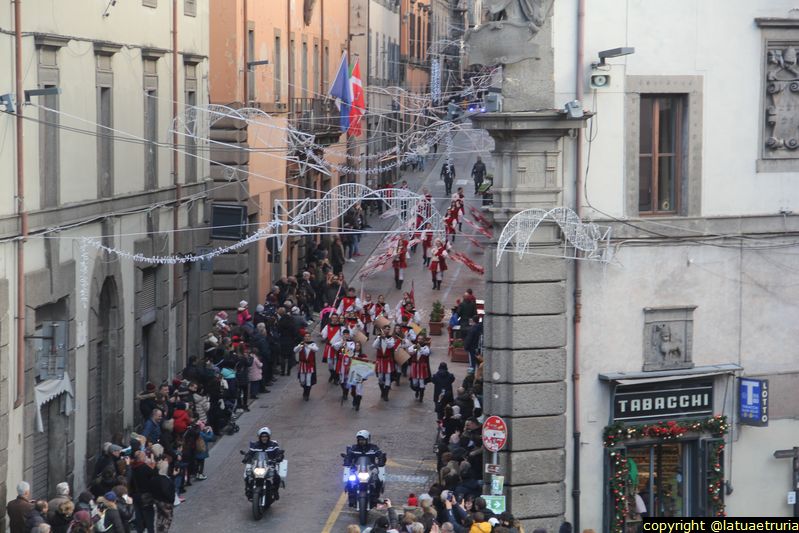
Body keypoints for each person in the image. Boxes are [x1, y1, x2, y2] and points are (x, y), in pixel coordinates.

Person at [342, 430, 387, 507]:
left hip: (370, 469)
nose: (361, 441)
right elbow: (349, 456)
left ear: (367, 439)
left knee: (378, 480)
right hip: (357, 469)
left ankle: (375, 496)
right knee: (349, 480)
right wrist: (347, 460)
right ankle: (351, 497)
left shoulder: (373, 448)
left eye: (363, 440)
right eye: (359, 440)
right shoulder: (354, 448)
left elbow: (380, 455)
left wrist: (381, 459)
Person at [243, 427, 284, 501]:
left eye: (265, 436)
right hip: (257, 465)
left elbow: (278, 452)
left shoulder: (273, 445)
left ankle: (275, 491)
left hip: (269, 465)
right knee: (247, 476)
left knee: (277, 477)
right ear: (259, 437)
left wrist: (279, 456)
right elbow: (250, 453)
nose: (264, 438)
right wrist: (246, 457)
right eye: (262, 436)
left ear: (268, 437)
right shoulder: (255, 445)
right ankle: (248, 490)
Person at [373, 325, 397, 402]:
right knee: (380, 378)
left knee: (387, 377)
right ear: (383, 330)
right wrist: (379, 338)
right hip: (380, 360)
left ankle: (386, 394)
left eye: (388, 329)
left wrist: (385, 339)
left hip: (387, 359)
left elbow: (390, 346)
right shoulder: (378, 338)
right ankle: (383, 391)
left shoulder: (391, 338)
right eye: (386, 329)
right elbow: (374, 346)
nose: (387, 331)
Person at [320, 313, 344, 384]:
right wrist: (322, 334)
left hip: (337, 348)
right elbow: (324, 336)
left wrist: (338, 344)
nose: (334, 319)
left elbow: (344, 338)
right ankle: (332, 375)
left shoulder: (341, 327)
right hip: (329, 347)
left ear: (337, 319)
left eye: (335, 318)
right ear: (331, 318)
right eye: (333, 318)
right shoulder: (327, 326)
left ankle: (336, 378)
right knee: (330, 364)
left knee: (336, 364)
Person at [294, 333, 319, 401]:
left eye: (308, 336)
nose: (307, 338)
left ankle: (307, 394)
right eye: (306, 336)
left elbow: (316, 349)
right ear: (304, 338)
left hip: (310, 366)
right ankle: (305, 391)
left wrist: (308, 346)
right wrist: (300, 346)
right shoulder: (301, 344)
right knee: (302, 381)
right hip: (303, 365)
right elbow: (295, 350)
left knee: (308, 381)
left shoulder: (313, 344)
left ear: (310, 337)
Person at [409, 336, 432, 402]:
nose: (419, 340)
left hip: (422, 366)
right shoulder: (414, 346)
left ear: (423, 340)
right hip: (415, 366)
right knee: (415, 382)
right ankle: (417, 391)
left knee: (421, 382)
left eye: (421, 339)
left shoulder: (426, 347)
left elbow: (426, 353)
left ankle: (421, 396)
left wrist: (420, 349)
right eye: (419, 339)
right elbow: (410, 350)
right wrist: (415, 348)